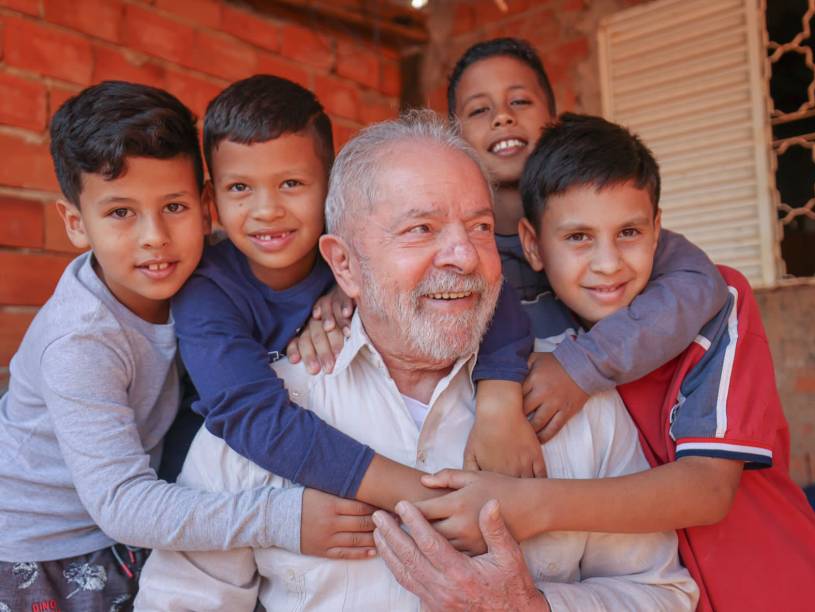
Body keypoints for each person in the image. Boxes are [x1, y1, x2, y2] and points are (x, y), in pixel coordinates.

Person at [134, 110, 698, 611]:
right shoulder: (274, 415)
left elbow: (663, 593)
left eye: (479, 227)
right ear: (345, 265)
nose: (463, 256)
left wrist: (532, 608)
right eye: (420, 229)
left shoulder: (569, 404)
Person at [411, 114, 815, 611]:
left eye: (628, 231)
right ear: (532, 244)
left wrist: (529, 506)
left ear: (657, 230)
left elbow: (708, 490)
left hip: (773, 586)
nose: (608, 263)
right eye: (578, 237)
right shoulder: (525, 330)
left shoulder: (717, 306)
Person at [170, 73, 547, 539]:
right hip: (223, 488)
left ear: (329, 193)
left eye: (290, 183)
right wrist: (428, 500)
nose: (267, 209)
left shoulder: (368, 263)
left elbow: (486, 295)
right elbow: (252, 418)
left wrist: (498, 405)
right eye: (240, 189)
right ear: (212, 200)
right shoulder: (205, 291)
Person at [0, 82, 309, 611]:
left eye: (173, 205)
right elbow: (121, 503)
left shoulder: (209, 269)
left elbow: (289, 273)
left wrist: (330, 304)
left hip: (128, 522)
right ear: (76, 223)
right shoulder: (80, 341)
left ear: (206, 207)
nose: (155, 237)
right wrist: (286, 517)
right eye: (120, 213)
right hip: (42, 549)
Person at [448, 37, 730, 441]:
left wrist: (582, 365)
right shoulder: (455, 249)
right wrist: (327, 293)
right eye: (479, 109)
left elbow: (699, 284)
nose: (502, 118)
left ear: (553, 116)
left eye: (520, 102)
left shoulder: (614, 234)